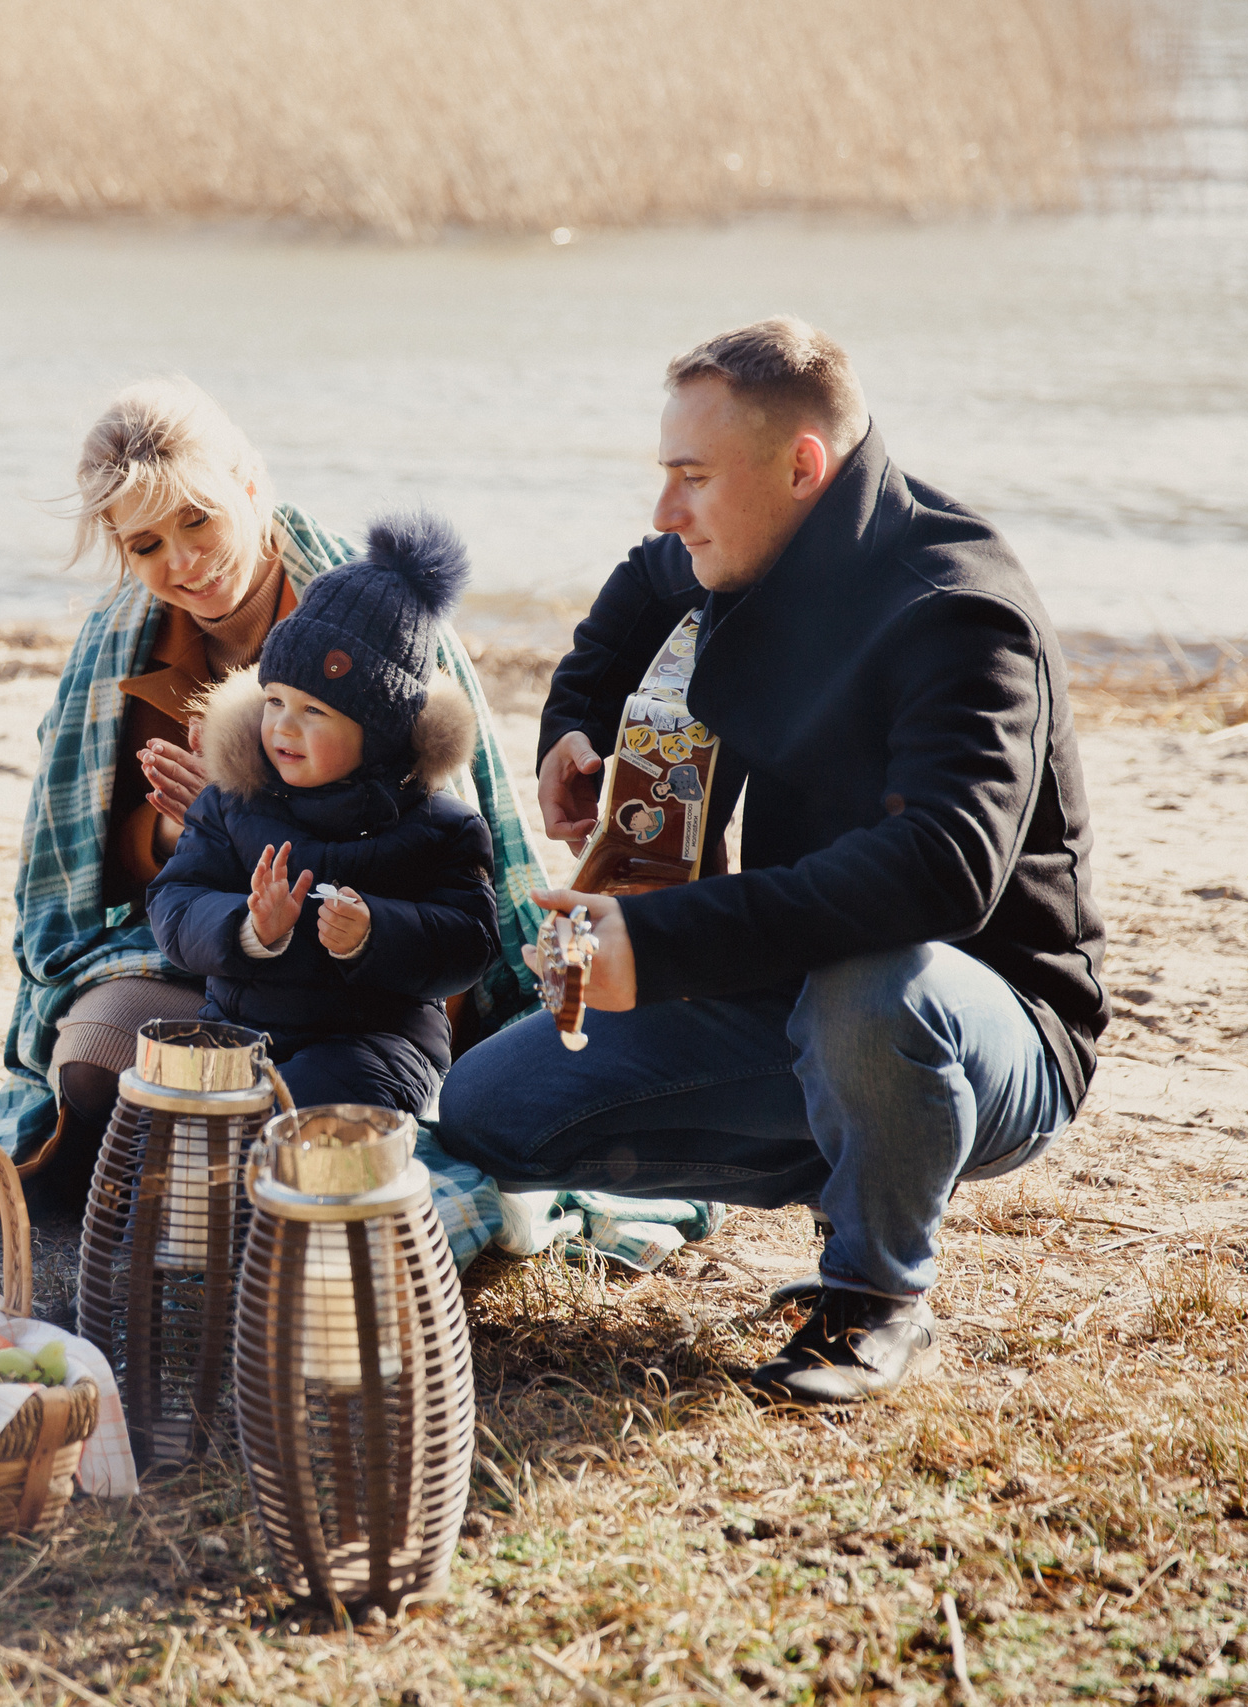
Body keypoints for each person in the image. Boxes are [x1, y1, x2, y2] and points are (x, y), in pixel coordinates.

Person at [434, 317, 1108, 1404]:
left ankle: (875, 1296)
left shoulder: (960, 609)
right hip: (792, 989)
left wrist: (655, 944)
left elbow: (942, 868)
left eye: (691, 478)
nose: (667, 510)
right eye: (666, 476)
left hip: (986, 1023)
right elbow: (638, 591)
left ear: (802, 466)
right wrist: (573, 724)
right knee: (488, 1111)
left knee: (870, 981)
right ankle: (868, 1161)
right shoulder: (749, 545)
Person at [0, 379, 548, 1227]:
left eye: (197, 519)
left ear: (250, 485)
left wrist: (270, 816)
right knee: (90, 1059)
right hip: (211, 963)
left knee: (314, 1106)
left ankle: (210, 1171)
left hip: (367, 993)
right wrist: (180, 824)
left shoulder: (372, 616)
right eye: (146, 544)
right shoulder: (118, 638)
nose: (181, 562)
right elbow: (104, 866)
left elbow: (445, 854)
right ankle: (95, 1163)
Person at [148, 513, 501, 1115]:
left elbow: (470, 944)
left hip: (377, 1048)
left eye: (315, 711)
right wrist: (249, 927)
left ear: (382, 732)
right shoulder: (232, 804)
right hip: (243, 1035)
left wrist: (374, 932)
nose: (283, 725)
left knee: (318, 1099)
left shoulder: (444, 828)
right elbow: (174, 905)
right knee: (172, 1110)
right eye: (276, 700)